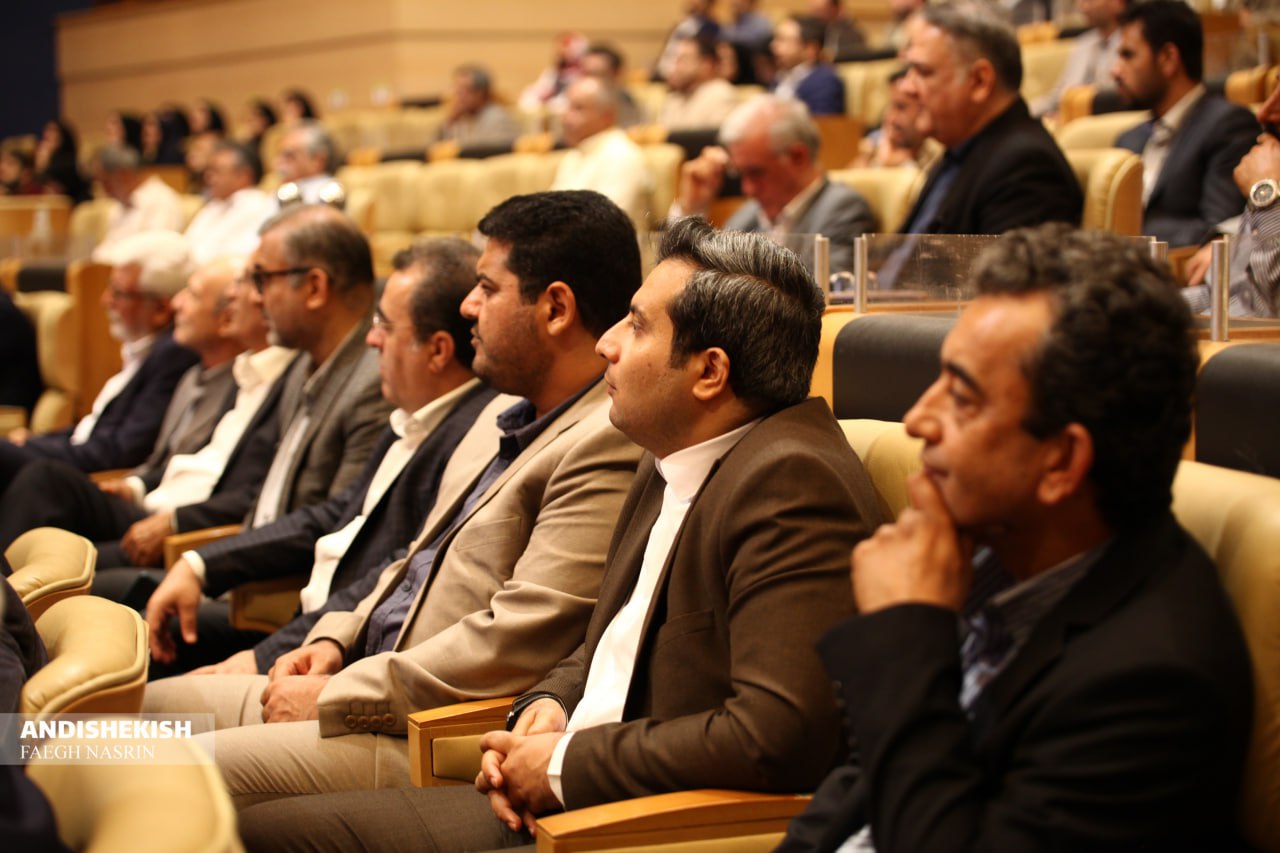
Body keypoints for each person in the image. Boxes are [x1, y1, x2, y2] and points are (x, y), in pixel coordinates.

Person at [233, 216, 887, 852]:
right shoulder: (670, 454)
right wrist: (549, 703)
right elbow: (608, 642)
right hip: (567, 794)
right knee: (260, 824)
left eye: (636, 326)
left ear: (709, 372)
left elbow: (774, 736)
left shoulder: (789, 482)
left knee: (250, 821)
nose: (607, 344)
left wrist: (561, 765)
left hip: (636, 826)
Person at [143, 190, 644, 806]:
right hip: (359, 678)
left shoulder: (603, 441)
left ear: (557, 308)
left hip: (418, 733)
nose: (468, 305)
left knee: (146, 767)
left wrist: (339, 694)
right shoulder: (503, 413)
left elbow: (514, 642)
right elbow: (411, 560)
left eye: (487, 288)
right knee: (114, 711)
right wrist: (334, 639)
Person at [777, 223, 1253, 852]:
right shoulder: (992, 554)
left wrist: (906, 632)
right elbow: (856, 802)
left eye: (962, 399)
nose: (918, 419)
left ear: (1062, 463)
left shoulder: (1149, 685)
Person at [142, 238, 506, 675]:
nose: (371, 339)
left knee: (143, 696)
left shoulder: (468, 439)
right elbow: (329, 516)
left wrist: (260, 658)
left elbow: (399, 572)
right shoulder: (410, 416)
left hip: (337, 659)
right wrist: (201, 565)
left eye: (384, 326)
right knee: (131, 640)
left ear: (438, 351)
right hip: (299, 627)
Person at [92, 205, 391, 599]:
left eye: (262, 279)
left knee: (89, 593)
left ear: (315, 288)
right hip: (241, 566)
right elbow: (263, 496)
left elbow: (332, 525)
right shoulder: (301, 365)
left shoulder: (371, 383)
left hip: (280, 594)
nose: (251, 297)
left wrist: (203, 564)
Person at [0, 257, 278, 558]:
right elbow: (170, 461)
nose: (177, 303)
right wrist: (134, 486)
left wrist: (174, 521)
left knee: (45, 485)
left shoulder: (242, 379)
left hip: (181, 532)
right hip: (150, 502)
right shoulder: (199, 374)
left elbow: (224, 484)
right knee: (42, 493)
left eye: (193, 295)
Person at [0, 231, 199, 501]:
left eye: (118, 293)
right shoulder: (143, 350)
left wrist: (26, 451)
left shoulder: (174, 356)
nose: (105, 301)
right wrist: (34, 443)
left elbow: (115, 452)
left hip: (91, 484)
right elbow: (93, 430)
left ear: (161, 309)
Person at [895, 3, 1082, 235]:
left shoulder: (1025, 167)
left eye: (923, 72)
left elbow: (1002, 261)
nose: (906, 87)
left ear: (979, 82)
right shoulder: (957, 155)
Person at [672, 95, 874, 273]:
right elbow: (701, 276)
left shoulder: (843, 209)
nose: (747, 189)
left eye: (756, 172)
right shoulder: (748, 215)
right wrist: (692, 209)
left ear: (798, 156)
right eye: (740, 174)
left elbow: (827, 288)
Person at [1112, 0, 1258, 247]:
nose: (1115, 71)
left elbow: (1217, 231)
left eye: (1128, 55)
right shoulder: (1128, 139)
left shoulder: (1228, 125)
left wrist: (1131, 240)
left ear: (1168, 58)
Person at [1182, 84, 1280, 317]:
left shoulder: (1269, 188)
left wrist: (1265, 194)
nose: (1264, 112)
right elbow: (1229, 296)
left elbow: (1271, 306)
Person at [551, 77, 654, 230]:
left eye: (578, 108)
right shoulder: (573, 155)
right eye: (567, 107)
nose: (566, 117)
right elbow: (551, 211)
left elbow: (607, 225)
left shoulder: (622, 155)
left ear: (607, 116)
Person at [183, 141, 276, 264]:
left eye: (217, 171)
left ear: (243, 175)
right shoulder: (214, 205)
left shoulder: (259, 206)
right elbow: (187, 244)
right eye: (209, 171)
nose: (208, 177)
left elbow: (238, 257)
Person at [1032, 0, 1129, 118]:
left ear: (1117, 3)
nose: (1082, 5)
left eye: (1090, 1)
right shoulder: (1083, 43)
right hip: (1064, 117)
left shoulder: (1130, 44)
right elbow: (1056, 97)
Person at [90, 144, 185, 262]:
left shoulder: (161, 201)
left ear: (124, 175)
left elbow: (156, 255)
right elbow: (107, 248)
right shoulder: (118, 205)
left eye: (106, 182)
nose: (106, 192)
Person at [851, 67, 942, 169]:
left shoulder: (940, 151)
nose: (891, 118)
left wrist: (903, 163)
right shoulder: (875, 143)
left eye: (901, 107)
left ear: (925, 107)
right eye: (890, 106)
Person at [659, 36, 740, 131]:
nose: (674, 67)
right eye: (674, 60)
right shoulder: (675, 98)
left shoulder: (720, 93)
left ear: (707, 64)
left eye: (683, 60)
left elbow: (714, 138)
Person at [772, 15, 847, 116]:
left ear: (810, 49)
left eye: (782, 40)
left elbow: (823, 122)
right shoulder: (780, 76)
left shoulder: (825, 82)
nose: (773, 45)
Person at [437, 65, 522, 150]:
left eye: (465, 90)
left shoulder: (497, 118)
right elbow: (439, 148)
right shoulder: (461, 118)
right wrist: (450, 122)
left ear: (481, 93)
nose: (459, 96)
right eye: (457, 90)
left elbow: (492, 152)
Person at [273, 122, 340, 206]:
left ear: (318, 161)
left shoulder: (330, 195)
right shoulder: (283, 188)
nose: (277, 162)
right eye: (279, 155)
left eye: (289, 155)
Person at [655, 0, 722, 81]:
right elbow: (668, 48)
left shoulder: (711, 27)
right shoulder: (683, 23)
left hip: (684, 75)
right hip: (665, 71)